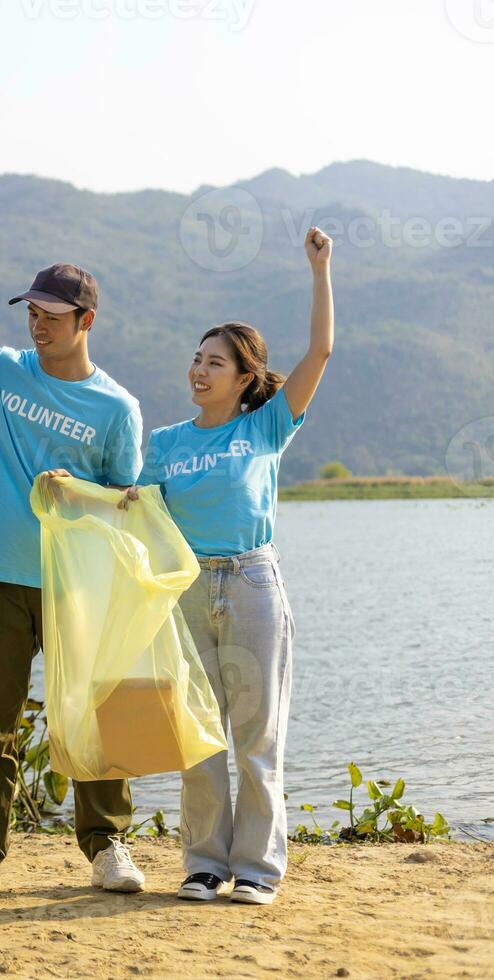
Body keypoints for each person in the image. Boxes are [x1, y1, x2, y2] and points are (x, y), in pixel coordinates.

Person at [0, 262, 147, 892]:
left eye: (52, 316)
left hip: (80, 580)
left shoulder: (118, 408)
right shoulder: (1, 369)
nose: (37, 326)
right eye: (32, 313)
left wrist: (80, 492)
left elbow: (125, 502)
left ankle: (107, 845)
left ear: (86, 321)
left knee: (95, 711)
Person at [129, 226, 334, 906]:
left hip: (251, 585)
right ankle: (204, 864)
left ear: (244, 378)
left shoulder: (266, 427)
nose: (199, 369)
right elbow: (141, 514)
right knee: (199, 735)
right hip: (189, 590)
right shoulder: (165, 442)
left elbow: (321, 351)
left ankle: (258, 871)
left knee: (256, 733)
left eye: (214, 362)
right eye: (196, 358)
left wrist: (319, 269)